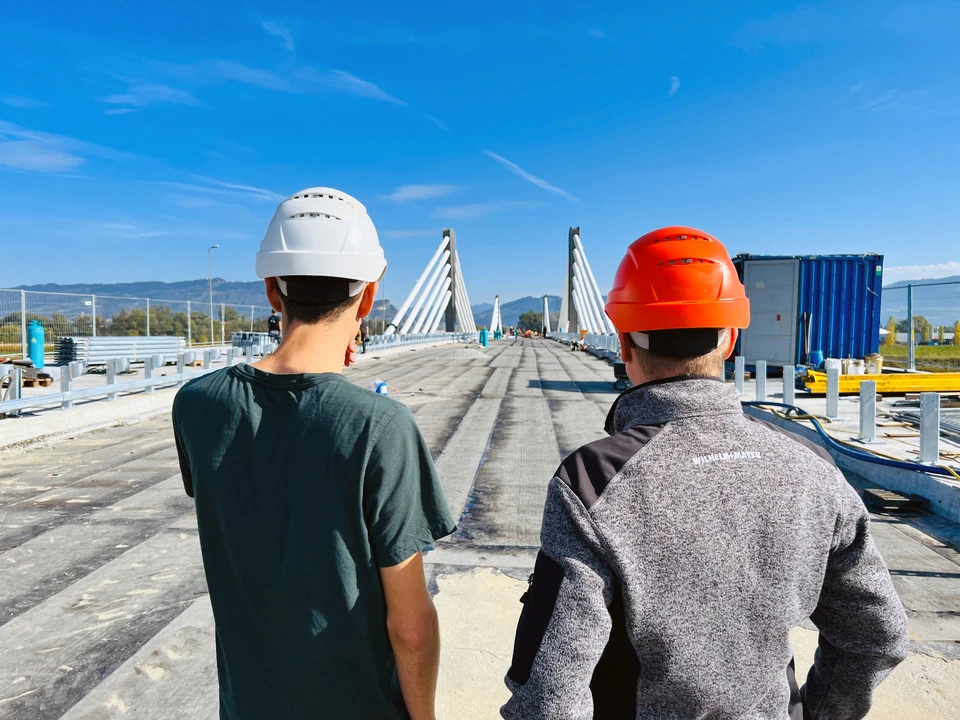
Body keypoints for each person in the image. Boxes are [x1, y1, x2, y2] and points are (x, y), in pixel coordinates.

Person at [501, 226, 908, 720]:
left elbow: (550, 693)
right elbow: (876, 636)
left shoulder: (593, 482)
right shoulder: (813, 468)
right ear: (732, 338)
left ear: (625, 344)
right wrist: (815, 712)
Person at [173, 187, 456, 720]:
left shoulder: (196, 404)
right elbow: (410, 625)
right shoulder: (381, 425)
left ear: (271, 293)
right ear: (368, 298)